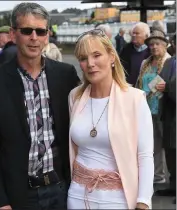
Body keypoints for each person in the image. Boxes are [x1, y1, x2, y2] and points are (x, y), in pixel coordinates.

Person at [0, 2, 80, 210]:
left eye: (40, 31)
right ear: (14, 34)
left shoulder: (66, 75)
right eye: (27, 31)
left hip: (62, 190)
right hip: (19, 194)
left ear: (47, 36)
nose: (34, 37)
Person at [67, 29, 154, 210]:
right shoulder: (75, 96)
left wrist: (143, 201)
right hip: (77, 196)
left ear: (111, 57)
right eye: (83, 58)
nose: (90, 63)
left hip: (118, 199)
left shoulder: (135, 99)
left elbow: (145, 156)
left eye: (96, 55)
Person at [136, 30, 171, 185]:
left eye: (157, 44)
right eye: (151, 44)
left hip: (164, 109)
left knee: (168, 145)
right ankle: (156, 176)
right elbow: (139, 82)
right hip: (147, 109)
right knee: (151, 144)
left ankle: (168, 176)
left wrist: (168, 86)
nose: (154, 47)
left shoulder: (170, 61)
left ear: (164, 45)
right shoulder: (146, 63)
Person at [155, 35, 176, 203]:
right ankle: (173, 185)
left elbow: (168, 85)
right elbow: (159, 81)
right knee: (170, 150)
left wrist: (167, 87)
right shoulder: (170, 62)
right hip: (168, 113)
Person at [120, 22, 151, 86]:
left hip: (146, 88)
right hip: (129, 88)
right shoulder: (126, 49)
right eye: (133, 33)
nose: (134, 35)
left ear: (146, 36)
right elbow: (120, 68)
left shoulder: (152, 50)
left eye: (137, 33)